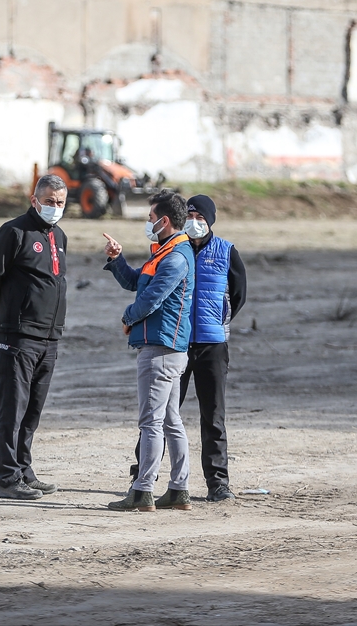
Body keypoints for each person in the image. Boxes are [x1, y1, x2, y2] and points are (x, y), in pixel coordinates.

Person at [127, 194, 247, 502]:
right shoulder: (174, 250)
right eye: (190, 216)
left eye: (201, 218)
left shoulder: (226, 251)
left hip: (212, 345)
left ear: (210, 221)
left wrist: (218, 319)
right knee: (163, 414)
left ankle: (218, 483)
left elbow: (239, 293)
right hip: (177, 343)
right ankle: (143, 473)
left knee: (213, 416)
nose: (194, 222)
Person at [102, 189, 196, 512]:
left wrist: (128, 317)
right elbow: (136, 282)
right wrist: (116, 260)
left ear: (165, 221)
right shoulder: (164, 252)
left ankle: (143, 491)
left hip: (160, 348)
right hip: (166, 349)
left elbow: (151, 299)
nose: (148, 222)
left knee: (152, 422)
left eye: (151, 218)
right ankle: (178, 489)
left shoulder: (176, 258)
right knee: (170, 419)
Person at [0, 175, 69, 501]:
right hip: (17, 337)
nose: (54, 208)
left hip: (49, 339)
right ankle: (5, 478)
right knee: (12, 410)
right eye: (49, 201)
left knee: (32, 412)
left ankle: (23, 471)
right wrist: (4, 321)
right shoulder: (14, 232)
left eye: (60, 202)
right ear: (34, 200)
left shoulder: (59, 236)